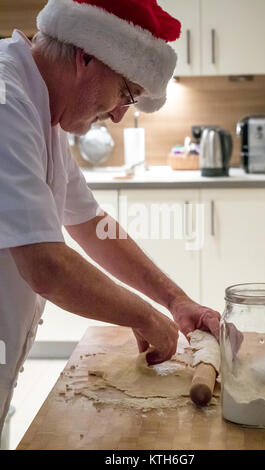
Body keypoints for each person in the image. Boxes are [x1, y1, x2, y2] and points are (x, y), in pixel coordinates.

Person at [0, 0, 220, 435]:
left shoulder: (44, 114)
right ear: (86, 55)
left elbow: (90, 223)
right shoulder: (7, 101)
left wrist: (175, 301)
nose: (120, 114)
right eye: (126, 92)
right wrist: (144, 316)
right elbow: (45, 263)